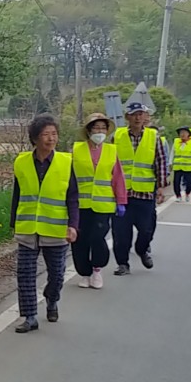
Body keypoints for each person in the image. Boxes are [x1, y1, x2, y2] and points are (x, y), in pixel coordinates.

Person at [9, 113, 79, 332]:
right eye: (46, 135)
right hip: (28, 228)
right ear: (35, 138)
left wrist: (73, 225)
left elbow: (73, 196)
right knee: (26, 274)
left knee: (57, 274)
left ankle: (51, 298)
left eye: (54, 134)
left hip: (55, 228)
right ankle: (30, 316)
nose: (51, 139)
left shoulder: (66, 162)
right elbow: (17, 194)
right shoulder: (21, 162)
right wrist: (13, 223)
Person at [70, 113, 128, 290]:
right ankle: (84, 273)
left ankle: (97, 269)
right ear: (89, 131)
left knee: (97, 237)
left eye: (103, 128)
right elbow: (69, 176)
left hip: (103, 204)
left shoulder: (111, 151)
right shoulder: (76, 150)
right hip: (80, 204)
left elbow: (118, 177)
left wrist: (121, 200)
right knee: (80, 240)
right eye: (96, 128)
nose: (100, 131)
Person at [112, 102, 169, 276]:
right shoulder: (117, 136)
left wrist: (160, 187)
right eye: (134, 114)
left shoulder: (154, 137)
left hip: (145, 193)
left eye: (140, 114)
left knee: (147, 229)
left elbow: (160, 161)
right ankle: (123, 264)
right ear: (127, 117)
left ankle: (142, 249)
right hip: (123, 194)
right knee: (121, 232)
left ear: (145, 117)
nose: (137, 118)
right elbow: (110, 162)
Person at [170, 126, 191, 202]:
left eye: (184, 133)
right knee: (176, 182)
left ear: (188, 134)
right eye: (181, 133)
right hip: (178, 166)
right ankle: (178, 196)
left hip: (189, 167)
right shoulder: (176, 141)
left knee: (189, 183)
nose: (182, 134)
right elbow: (172, 152)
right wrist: (170, 162)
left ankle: (187, 194)